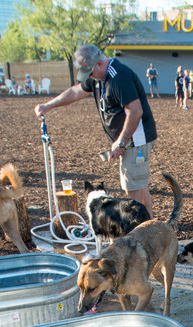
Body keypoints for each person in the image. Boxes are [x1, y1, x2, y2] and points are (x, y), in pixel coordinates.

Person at [34, 44, 158, 215]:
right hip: (128, 139)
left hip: (136, 139)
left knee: (132, 187)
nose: (89, 77)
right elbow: (75, 91)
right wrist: (49, 105)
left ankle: (139, 232)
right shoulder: (97, 76)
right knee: (138, 183)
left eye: (90, 73)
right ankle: (149, 225)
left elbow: (135, 111)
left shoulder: (119, 77)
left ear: (99, 63)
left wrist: (121, 142)